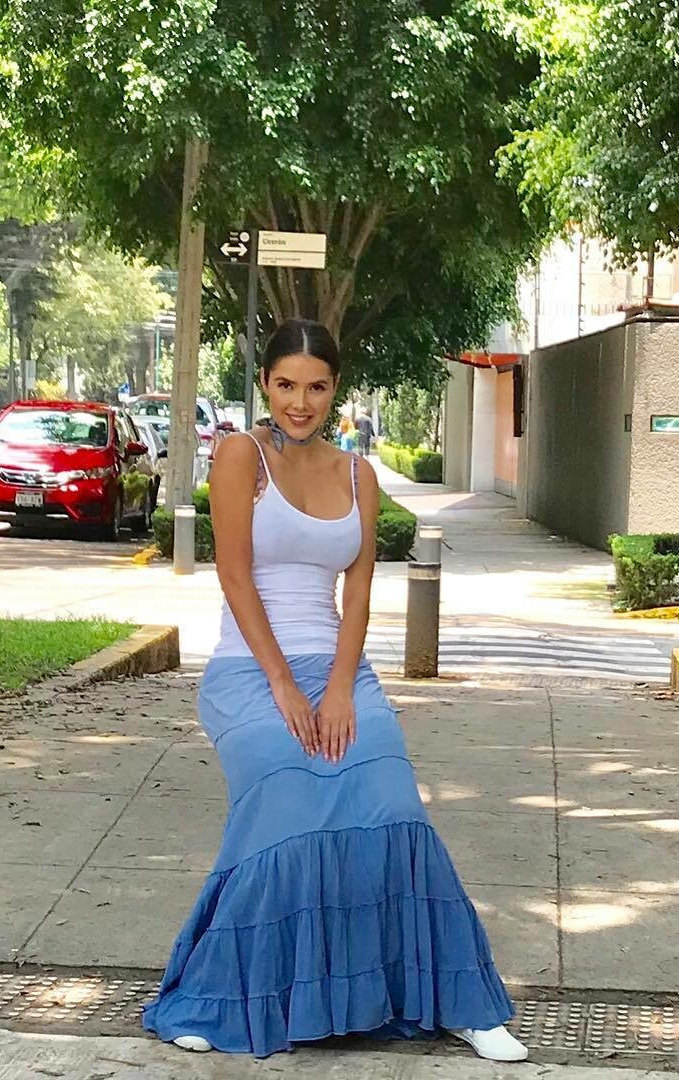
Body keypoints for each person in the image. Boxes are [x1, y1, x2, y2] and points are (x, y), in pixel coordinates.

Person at [140, 318, 527, 1062]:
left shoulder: (359, 475)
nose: (300, 401)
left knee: (391, 802)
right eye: (286, 384)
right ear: (265, 384)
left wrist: (342, 687)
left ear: (335, 390)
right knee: (287, 805)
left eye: (316, 387)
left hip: (339, 668)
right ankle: (218, 998)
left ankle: (455, 1000)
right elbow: (234, 576)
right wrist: (284, 687)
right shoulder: (240, 455)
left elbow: (358, 594)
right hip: (249, 670)